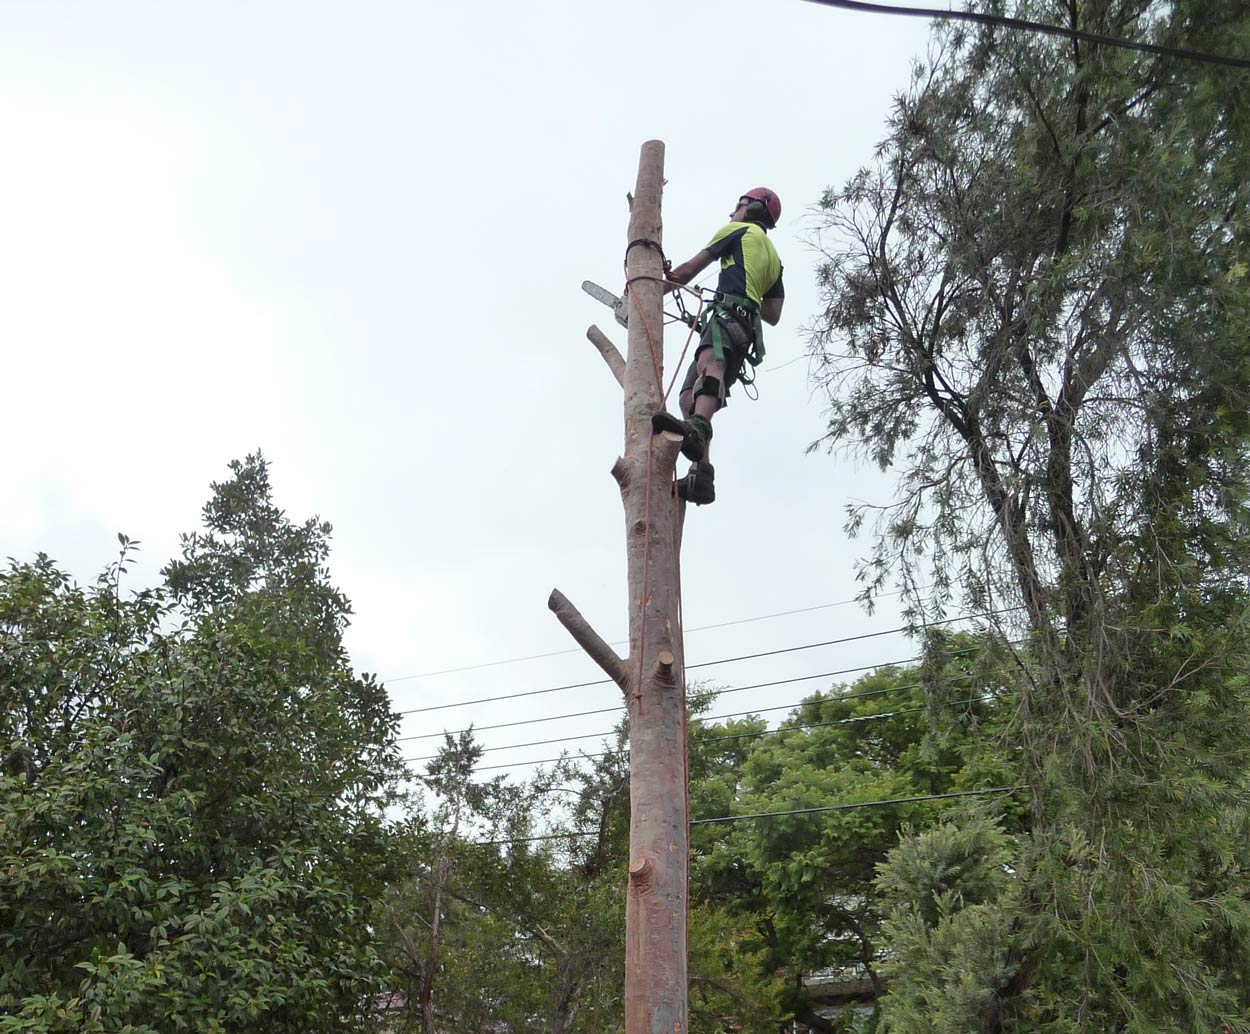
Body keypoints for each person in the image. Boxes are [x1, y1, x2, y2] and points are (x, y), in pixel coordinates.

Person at [652, 187, 785, 506]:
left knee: (711, 364)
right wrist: (744, 290)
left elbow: (686, 272)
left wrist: (649, 289)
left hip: (728, 319)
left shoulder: (737, 231)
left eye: (738, 206)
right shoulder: (775, 259)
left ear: (752, 210)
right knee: (688, 398)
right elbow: (773, 314)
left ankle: (697, 430)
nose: (731, 213)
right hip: (743, 329)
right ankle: (702, 475)